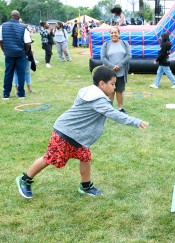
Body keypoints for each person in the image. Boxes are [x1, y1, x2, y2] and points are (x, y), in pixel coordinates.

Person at [15, 66, 149, 199]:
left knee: (85, 157)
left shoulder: (90, 93)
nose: (114, 88)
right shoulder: (97, 100)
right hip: (65, 132)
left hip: (78, 136)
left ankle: (86, 186)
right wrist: (135, 121)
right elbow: (114, 114)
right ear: (101, 84)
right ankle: (25, 179)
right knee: (51, 158)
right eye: (112, 84)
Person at [0, 10, 32, 100]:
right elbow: (28, 43)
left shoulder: (3, 26)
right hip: (20, 53)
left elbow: (1, 41)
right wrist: (24, 52)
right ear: (18, 17)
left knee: (8, 73)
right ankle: (21, 94)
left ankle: (6, 94)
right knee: (21, 73)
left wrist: (5, 50)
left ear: (11, 16)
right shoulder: (23, 28)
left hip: (9, 53)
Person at [101, 26, 131, 114]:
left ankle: (120, 108)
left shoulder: (125, 43)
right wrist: (112, 66)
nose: (114, 34)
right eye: (112, 33)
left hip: (121, 72)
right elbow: (103, 58)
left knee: (120, 90)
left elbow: (129, 56)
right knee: (110, 91)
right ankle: (110, 109)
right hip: (109, 72)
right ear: (110, 34)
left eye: (115, 33)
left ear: (119, 34)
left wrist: (120, 65)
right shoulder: (106, 44)